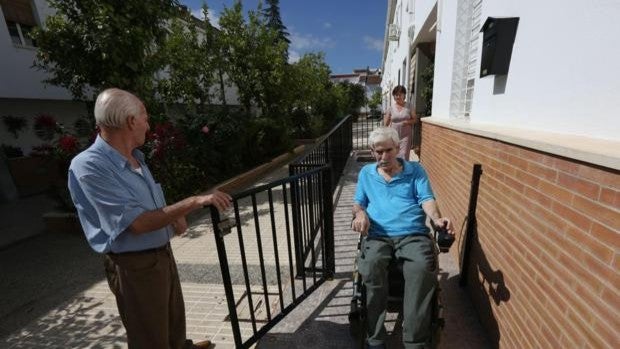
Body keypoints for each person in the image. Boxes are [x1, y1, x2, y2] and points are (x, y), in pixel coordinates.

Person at [68, 88, 231, 349]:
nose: (148, 123)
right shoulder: (89, 165)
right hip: (135, 266)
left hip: (161, 255)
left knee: (173, 322)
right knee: (150, 338)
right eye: (145, 116)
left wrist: (172, 218)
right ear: (131, 121)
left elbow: (148, 201)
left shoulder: (136, 158)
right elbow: (139, 223)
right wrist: (194, 201)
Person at [351, 127, 454, 349]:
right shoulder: (366, 174)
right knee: (369, 266)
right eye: (378, 151)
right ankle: (375, 338)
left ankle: (415, 342)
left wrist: (436, 219)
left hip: (413, 234)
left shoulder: (415, 171)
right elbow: (359, 203)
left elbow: (426, 198)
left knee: (422, 268)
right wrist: (360, 214)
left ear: (398, 148)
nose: (384, 156)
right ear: (371, 151)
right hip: (378, 235)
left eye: (389, 150)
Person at [383, 85, 418, 160]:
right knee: (394, 155)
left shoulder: (409, 106)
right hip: (394, 136)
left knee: (404, 155)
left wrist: (408, 122)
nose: (398, 97)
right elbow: (386, 123)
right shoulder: (391, 108)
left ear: (404, 95)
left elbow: (415, 119)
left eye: (399, 94)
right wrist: (384, 134)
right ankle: (395, 171)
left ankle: (403, 170)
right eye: (396, 95)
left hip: (406, 136)